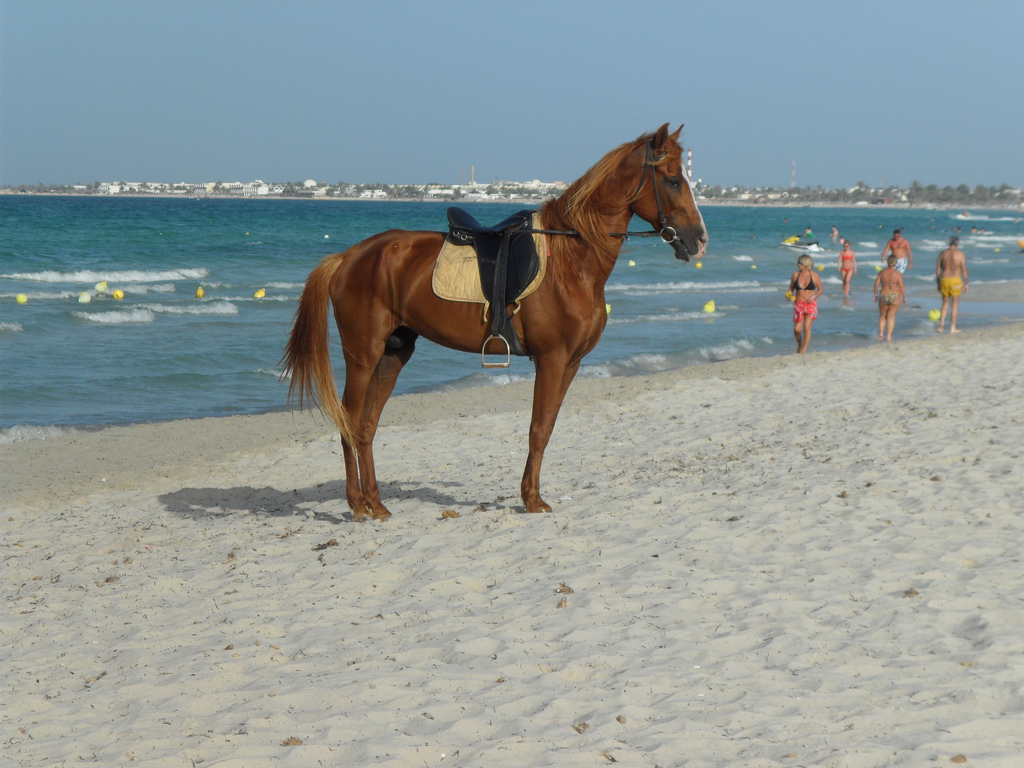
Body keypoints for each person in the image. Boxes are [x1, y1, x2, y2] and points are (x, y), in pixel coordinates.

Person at [789, 254, 823, 353]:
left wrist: (814, 296)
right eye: (798, 263)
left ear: (806, 264)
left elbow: (820, 289)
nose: (798, 264)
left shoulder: (814, 275)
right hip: (799, 304)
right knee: (797, 330)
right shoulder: (795, 275)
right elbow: (790, 289)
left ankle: (803, 350)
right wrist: (788, 295)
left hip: (810, 304)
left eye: (801, 263)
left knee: (806, 327)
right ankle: (800, 344)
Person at [935, 235, 968, 333]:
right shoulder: (960, 254)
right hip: (956, 280)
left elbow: (938, 269)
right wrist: (967, 282)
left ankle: (941, 324)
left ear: (949, 243)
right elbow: (964, 269)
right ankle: (952, 327)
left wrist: (938, 282)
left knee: (945, 303)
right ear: (957, 244)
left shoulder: (943, 253)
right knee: (954, 304)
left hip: (944, 279)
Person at [873, 254, 907, 342]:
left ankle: (881, 334)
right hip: (895, 296)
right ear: (895, 263)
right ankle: (888, 336)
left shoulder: (882, 272)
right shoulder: (898, 274)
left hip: (884, 295)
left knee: (883, 316)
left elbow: (876, 284)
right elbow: (902, 287)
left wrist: (875, 294)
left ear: (888, 262)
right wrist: (904, 297)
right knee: (891, 316)